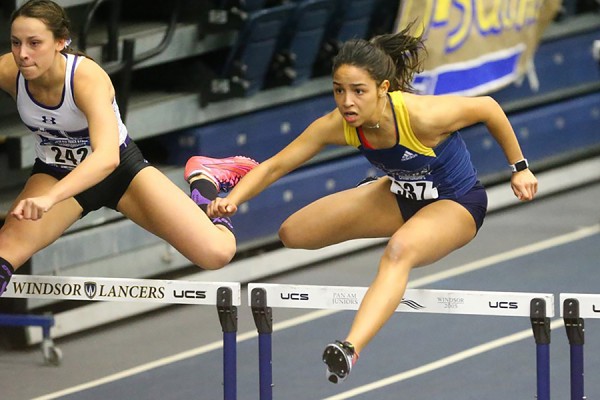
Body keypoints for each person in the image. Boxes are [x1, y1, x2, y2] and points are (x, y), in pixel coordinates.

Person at [207, 27, 538, 383]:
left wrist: (519, 168)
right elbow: (275, 166)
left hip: (454, 201)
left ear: (383, 89)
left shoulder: (422, 116)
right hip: (400, 196)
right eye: (338, 90)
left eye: (358, 91)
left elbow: (489, 108)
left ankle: (350, 348)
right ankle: (377, 190)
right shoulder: (338, 124)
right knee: (293, 233)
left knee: (399, 251)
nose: (347, 102)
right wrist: (233, 199)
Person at [0, 0, 257, 297]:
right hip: (55, 171)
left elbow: (106, 158)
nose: (23, 54)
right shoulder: (10, 71)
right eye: (16, 43)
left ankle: (205, 182)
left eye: (34, 43)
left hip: (119, 172)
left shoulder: (86, 79)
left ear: (61, 42)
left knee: (217, 252)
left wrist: (50, 198)